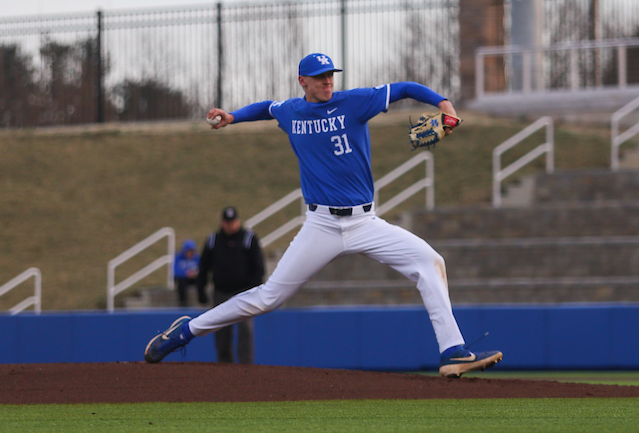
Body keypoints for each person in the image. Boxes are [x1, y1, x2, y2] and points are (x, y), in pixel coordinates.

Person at [144, 53, 503, 377]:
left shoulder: (355, 103)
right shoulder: (292, 112)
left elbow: (405, 88)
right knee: (270, 297)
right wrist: (233, 116)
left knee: (429, 261)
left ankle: (453, 351)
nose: (328, 81)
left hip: (365, 222)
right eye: (319, 77)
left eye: (331, 75)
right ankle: (187, 331)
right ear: (303, 81)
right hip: (321, 225)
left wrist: (444, 103)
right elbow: (268, 108)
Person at [196, 206, 265, 364]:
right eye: (227, 222)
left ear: (238, 221)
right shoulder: (213, 240)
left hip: (244, 293)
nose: (230, 225)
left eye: (233, 221)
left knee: (245, 331)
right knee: (221, 332)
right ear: (222, 223)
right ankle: (224, 367)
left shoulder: (248, 238)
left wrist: (255, 290)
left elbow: (258, 266)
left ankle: (246, 367)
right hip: (221, 292)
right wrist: (201, 289)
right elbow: (203, 266)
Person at [172, 239, 200, 306]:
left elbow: (202, 269)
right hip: (183, 278)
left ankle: (202, 300)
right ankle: (182, 302)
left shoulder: (197, 258)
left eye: (192, 251)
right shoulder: (178, 258)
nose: (190, 253)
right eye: (189, 251)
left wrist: (195, 273)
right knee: (181, 283)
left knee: (201, 281)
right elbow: (175, 271)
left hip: (194, 278)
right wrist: (186, 274)